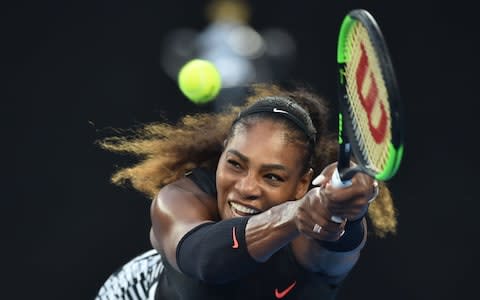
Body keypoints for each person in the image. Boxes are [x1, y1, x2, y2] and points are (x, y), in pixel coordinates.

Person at [95, 83, 397, 300]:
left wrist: (345, 211)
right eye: (236, 165)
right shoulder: (180, 201)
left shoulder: (311, 234)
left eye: (273, 176)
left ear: (303, 184)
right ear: (223, 153)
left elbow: (337, 246)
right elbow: (205, 261)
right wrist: (294, 213)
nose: (247, 188)